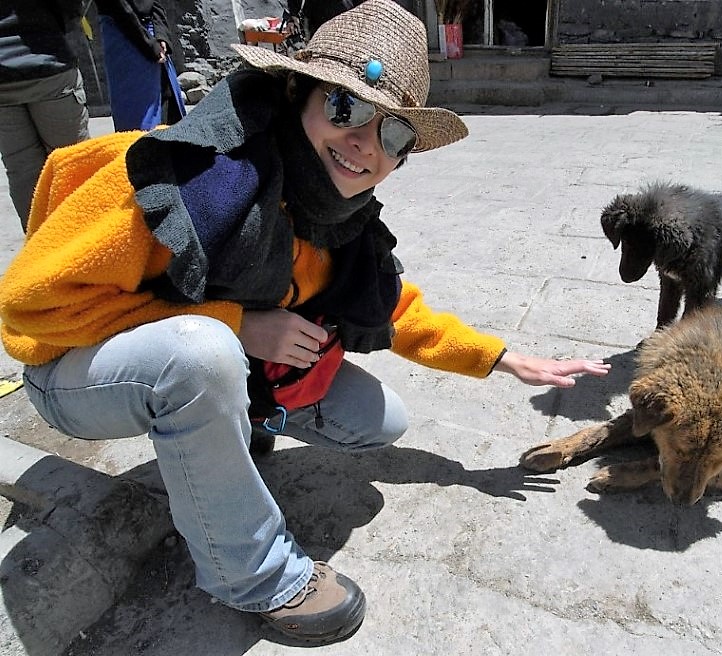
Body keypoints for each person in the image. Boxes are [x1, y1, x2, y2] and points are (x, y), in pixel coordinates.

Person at [0, 0, 609, 646]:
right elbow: (27, 306)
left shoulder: (336, 219)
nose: (364, 146)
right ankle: (257, 577)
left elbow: (396, 308)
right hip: (68, 369)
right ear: (296, 93)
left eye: (394, 135)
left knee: (378, 420)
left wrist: (499, 357)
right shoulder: (174, 177)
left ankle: (234, 426)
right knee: (200, 354)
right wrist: (238, 323)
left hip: (188, 356)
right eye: (345, 109)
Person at [0, 0, 90, 231]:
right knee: (74, 162)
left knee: (22, 171)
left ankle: (42, 253)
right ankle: (86, 247)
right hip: (48, 62)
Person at [94, 0, 185, 130]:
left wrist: (161, 35)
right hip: (126, 40)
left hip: (154, 41)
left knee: (170, 110)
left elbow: (155, 4)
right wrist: (149, 44)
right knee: (138, 123)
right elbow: (119, 10)